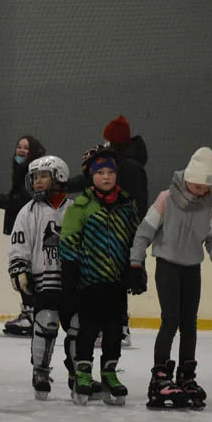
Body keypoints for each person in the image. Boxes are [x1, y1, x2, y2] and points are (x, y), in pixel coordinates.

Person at [130, 147, 212, 410]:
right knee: (171, 318)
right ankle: (160, 374)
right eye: (196, 186)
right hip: (167, 265)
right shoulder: (166, 199)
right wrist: (135, 262)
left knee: (189, 322)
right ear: (187, 179)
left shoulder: (209, 204)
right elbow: (144, 232)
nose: (199, 192)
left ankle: (186, 374)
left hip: (191, 268)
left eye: (204, 188)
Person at [60, 145, 142, 406]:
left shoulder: (127, 206)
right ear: (90, 176)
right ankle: (83, 372)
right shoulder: (81, 207)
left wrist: (136, 269)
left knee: (114, 329)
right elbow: (69, 242)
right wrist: (71, 278)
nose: (106, 177)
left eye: (110, 172)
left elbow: (135, 240)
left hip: (116, 281)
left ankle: (109, 372)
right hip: (89, 281)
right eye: (100, 172)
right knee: (89, 328)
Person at [68, 115, 148, 347]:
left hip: (121, 228)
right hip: (116, 226)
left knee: (117, 277)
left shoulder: (126, 166)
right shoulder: (123, 163)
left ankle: (120, 326)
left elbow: (138, 202)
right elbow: (88, 179)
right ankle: (115, 325)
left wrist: (132, 229)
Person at [7, 155, 76, 400]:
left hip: (72, 281)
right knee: (46, 322)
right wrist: (19, 269)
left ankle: (78, 372)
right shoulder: (28, 212)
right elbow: (19, 244)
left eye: (43, 176)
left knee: (77, 326)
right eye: (34, 177)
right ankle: (40, 370)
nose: (37, 182)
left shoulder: (74, 210)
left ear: (59, 176)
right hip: (43, 279)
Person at [0, 135, 47, 337]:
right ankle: (30, 312)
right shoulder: (21, 172)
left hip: (33, 231)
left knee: (24, 270)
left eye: (26, 148)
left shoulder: (33, 175)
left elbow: (16, 201)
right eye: (19, 147)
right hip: (24, 229)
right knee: (20, 269)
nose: (21, 151)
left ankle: (32, 314)